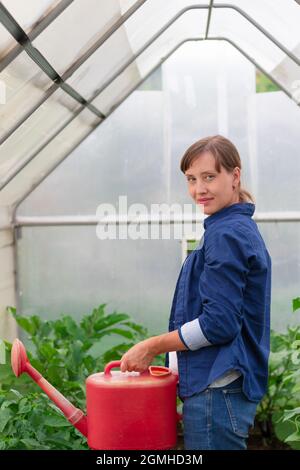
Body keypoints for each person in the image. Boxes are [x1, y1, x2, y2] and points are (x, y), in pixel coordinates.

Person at [120, 135, 271, 450]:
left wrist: (151, 346)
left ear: (235, 176)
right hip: (221, 389)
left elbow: (219, 324)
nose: (199, 189)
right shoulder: (230, 228)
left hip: (217, 389)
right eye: (191, 179)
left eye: (209, 177)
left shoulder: (226, 235)